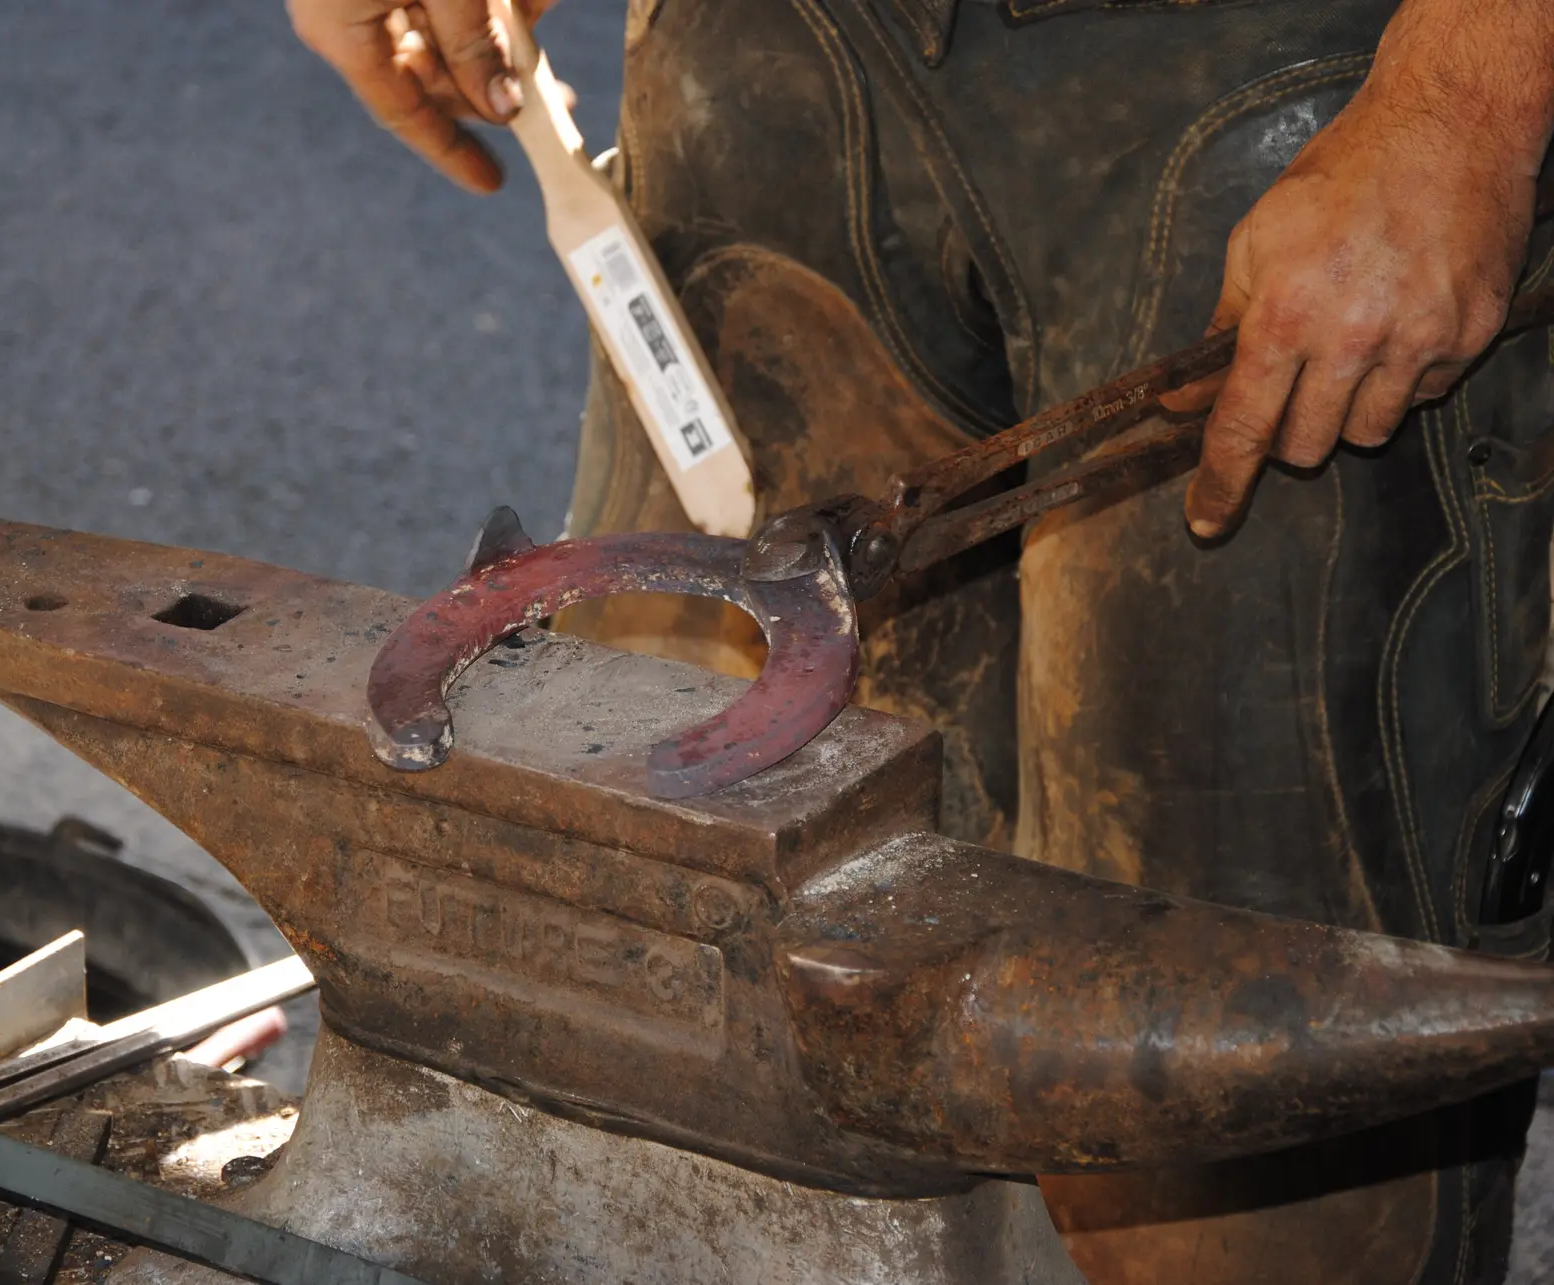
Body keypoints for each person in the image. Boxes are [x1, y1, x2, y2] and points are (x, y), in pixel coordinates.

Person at [289, 0, 1554, 1278]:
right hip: (761, 60)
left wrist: (1466, 99)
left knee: (1226, 1124)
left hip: (1270, 89)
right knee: (671, 996)